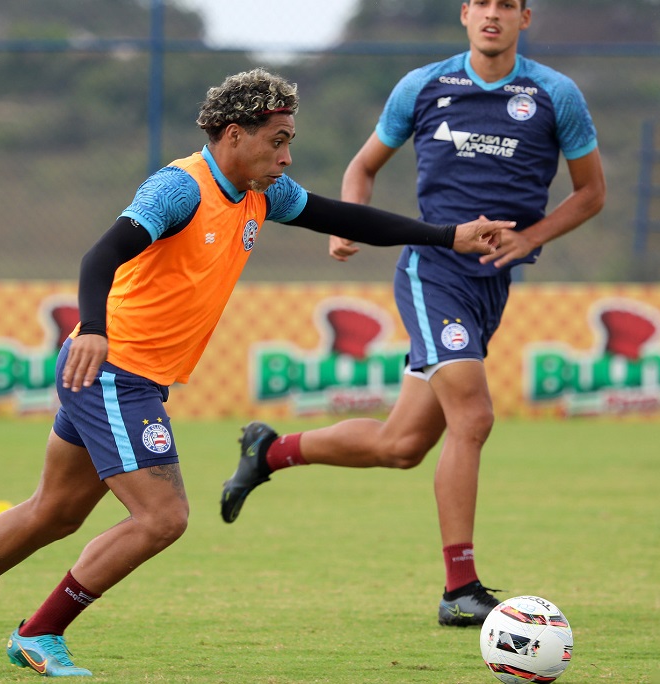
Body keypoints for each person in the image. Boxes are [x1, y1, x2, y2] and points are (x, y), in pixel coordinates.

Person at [0, 68, 509, 676]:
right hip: (113, 370)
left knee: (54, 511)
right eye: (278, 140)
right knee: (163, 517)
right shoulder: (180, 188)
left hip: (130, 377)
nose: (287, 156)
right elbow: (100, 254)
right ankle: (40, 633)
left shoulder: (260, 193)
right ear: (234, 135)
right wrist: (98, 330)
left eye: (290, 140)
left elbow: (343, 217)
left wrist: (447, 236)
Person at [219, 1, 606, 628]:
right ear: (464, 14)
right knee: (473, 416)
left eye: (507, 6)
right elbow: (364, 165)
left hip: (491, 288)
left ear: (524, 19)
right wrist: (347, 222)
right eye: (482, 3)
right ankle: (460, 589)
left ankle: (270, 451)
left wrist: (531, 239)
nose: (493, 15)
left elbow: (591, 193)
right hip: (434, 272)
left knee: (402, 445)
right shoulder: (423, 86)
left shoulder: (556, 94)